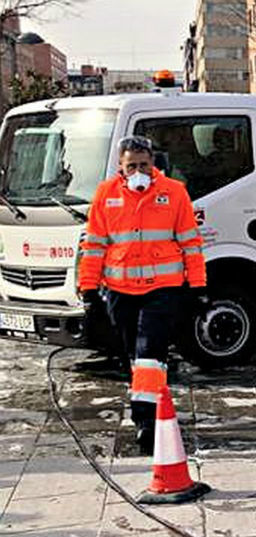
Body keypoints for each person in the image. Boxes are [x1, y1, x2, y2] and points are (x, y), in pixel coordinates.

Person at [77, 136, 207, 455]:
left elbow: (191, 242)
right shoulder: (105, 194)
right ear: (121, 167)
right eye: (131, 165)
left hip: (162, 288)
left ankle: (146, 422)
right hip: (120, 290)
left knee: (148, 351)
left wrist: (198, 284)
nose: (138, 171)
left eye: (144, 165)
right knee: (135, 357)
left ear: (154, 164)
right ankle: (153, 401)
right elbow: (94, 245)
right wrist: (89, 288)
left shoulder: (174, 192)